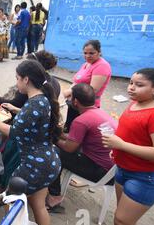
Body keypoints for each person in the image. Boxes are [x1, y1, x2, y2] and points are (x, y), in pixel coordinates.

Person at [0, 60, 62, 225]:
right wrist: (16, 109)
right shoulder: (42, 98)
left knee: (12, 206)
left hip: (33, 165)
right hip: (48, 162)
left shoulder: (34, 103)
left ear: (26, 79)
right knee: (38, 206)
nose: (17, 83)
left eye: (17, 79)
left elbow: (13, 132)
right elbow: (34, 116)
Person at [102, 68, 154, 225]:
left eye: (139, 85)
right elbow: (132, 132)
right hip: (123, 170)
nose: (132, 88)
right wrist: (117, 147)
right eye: (131, 83)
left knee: (121, 221)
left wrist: (122, 145)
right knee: (125, 222)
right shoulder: (135, 103)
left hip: (144, 177)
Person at [46, 83, 116, 212]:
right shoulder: (99, 114)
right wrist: (59, 133)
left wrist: (53, 138)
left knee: (52, 152)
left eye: (69, 97)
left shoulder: (81, 120)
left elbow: (69, 148)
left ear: (75, 101)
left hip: (99, 172)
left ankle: (54, 196)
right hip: (112, 169)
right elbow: (75, 137)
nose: (67, 99)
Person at [63, 40, 112, 132]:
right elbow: (77, 81)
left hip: (85, 106)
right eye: (85, 53)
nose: (87, 56)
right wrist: (70, 90)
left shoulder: (102, 66)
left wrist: (70, 91)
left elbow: (92, 90)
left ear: (99, 52)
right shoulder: (86, 64)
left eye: (91, 53)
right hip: (75, 103)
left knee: (77, 133)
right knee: (69, 128)